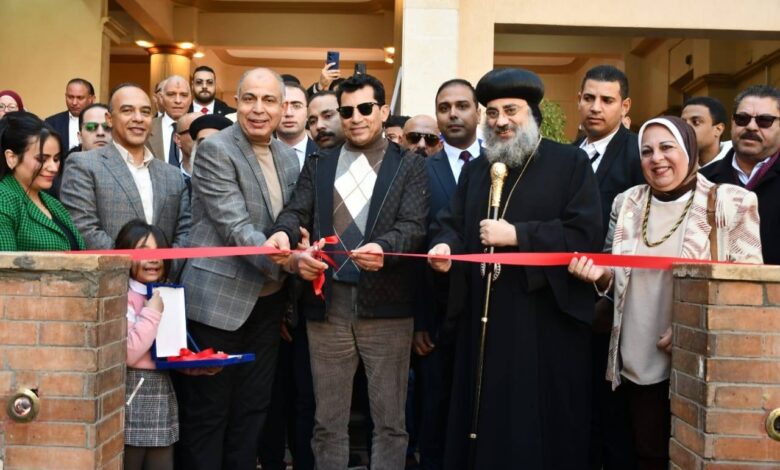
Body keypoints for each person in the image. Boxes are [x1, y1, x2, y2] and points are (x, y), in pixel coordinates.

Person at [428, 67, 602, 469]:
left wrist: (518, 235)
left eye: (511, 111)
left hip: (541, 325)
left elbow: (584, 233)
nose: (500, 121)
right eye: (492, 113)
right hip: (481, 323)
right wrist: (445, 247)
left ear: (532, 114)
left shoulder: (569, 162)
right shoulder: (476, 169)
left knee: (533, 425)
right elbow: (451, 223)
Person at [569, 116, 763, 470]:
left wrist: (691, 326)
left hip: (695, 357)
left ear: (688, 150)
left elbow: (747, 293)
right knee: (637, 452)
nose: (656, 158)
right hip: (632, 355)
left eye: (666, 147)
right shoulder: (627, 203)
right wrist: (599, 277)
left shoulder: (732, 201)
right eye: (646, 151)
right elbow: (614, 279)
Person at [266, 73, 429, 470]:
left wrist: (385, 248)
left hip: (387, 307)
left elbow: (413, 226)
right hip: (328, 306)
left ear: (384, 111)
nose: (355, 118)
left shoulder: (409, 164)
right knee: (327, 423)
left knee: (390, 423)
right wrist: (283, 234)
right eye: (347, 111)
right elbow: (296, 210)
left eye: (365, 108)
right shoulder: (320, 162)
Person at [175, 68, 299, 470]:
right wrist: (291, 261)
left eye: (268, 100)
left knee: (253, 409)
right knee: (210, 413)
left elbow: (291, 220)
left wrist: (298, 248)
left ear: (282, 108)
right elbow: (235, 226)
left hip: (268, 304)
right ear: (236, 103)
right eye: (250, 99)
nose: (258, 109)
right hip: (218, 304)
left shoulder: (287, 156)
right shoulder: (216, 149)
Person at [573, 64, 644, 469]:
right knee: (578, 409)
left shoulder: (638, 154)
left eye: (606, 100)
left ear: (625, 105)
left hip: (619, 306)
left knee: (615, 417)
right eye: (589, 98)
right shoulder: (568, 154)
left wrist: (610, 295)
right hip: (571, 301)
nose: (596, 107)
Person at [414, 78, 481, 470]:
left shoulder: (499, 164)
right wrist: (419, 321)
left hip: (488, 311)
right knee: (435, 409)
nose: (453, 114)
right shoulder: (420, 170)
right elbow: (414, 247)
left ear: (477, 111)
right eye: (444, 107)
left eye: (462, 106)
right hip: (437, 316)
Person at [59, 83, 191, 256]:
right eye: (127, 111)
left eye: (145, 112)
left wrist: (165, 265)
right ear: (109, 119)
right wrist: (131, 265)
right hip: (108, 271)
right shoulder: (83, 165)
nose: (138, 118)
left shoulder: (172, 175)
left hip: (165, 272)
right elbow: (84, 228)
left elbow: (185, 232)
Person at [118, 220, 179, 470]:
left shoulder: (168, 294)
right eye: (143, 252)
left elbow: (172, 349)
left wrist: (198, 366)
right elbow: (129, 353)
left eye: (159, 252)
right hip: (132, 389)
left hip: (162, 388)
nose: (153, 259)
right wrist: (152, 313)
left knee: (162, 463)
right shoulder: (121, 295)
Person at [700, 85, 780, 265]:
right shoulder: (703, 181)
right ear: (732, 122)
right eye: (742, 119)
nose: (751, 126)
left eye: (764, 120)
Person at [0, 111, 85, 251]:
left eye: (56, 159)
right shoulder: (4, 199)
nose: (53, 168)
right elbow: (5, 263)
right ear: (12, 158)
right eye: (42, 159)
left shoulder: (53, 203)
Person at [48, 103, 112, 199]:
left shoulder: (127, 166)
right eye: (91, 127)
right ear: (79, 136)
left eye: (107, 127)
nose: (100, 133)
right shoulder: (58, 171)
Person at [147, 76, 193, 165]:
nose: (178, 101)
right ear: (161, 98)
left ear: (190, 99)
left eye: (184, 95)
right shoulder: (147, 128)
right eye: (171, 94)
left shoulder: (201, 129)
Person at [45, 78, 96, 151]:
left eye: (80, 98)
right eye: (70, 97)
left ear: (91, 99)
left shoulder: (102, 123)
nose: (74, 103)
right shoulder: (51, 123)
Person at [681, 96, 732, 167]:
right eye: (682, 123)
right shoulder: (676, 165)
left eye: (695, 122)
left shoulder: (737, 161)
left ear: (718, 129)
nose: (685, 128)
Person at [278, 81, 316, 169]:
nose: (288, 113)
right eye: (282, 106)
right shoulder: (258, 154)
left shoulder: (325, 155)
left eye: (296, 106)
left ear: (308, 112)